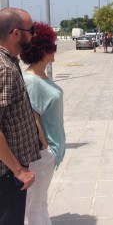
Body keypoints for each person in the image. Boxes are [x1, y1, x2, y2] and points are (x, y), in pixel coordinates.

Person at [20, 22, 66, 225]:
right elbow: (32, 118)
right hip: (41, 156)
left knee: (40, 203)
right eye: (53, 46)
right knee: (34, 208)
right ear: (42, 49)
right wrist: (47, 150)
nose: (55, 50)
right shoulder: (32, 81)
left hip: (47, 155)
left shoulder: (41, 76)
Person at [0, 7, 41, 225]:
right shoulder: (4, 68)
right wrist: (18, 170)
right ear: (16, 33)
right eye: (31, 29)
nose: (33, 34)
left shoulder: (9, 63)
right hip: (7, 173)